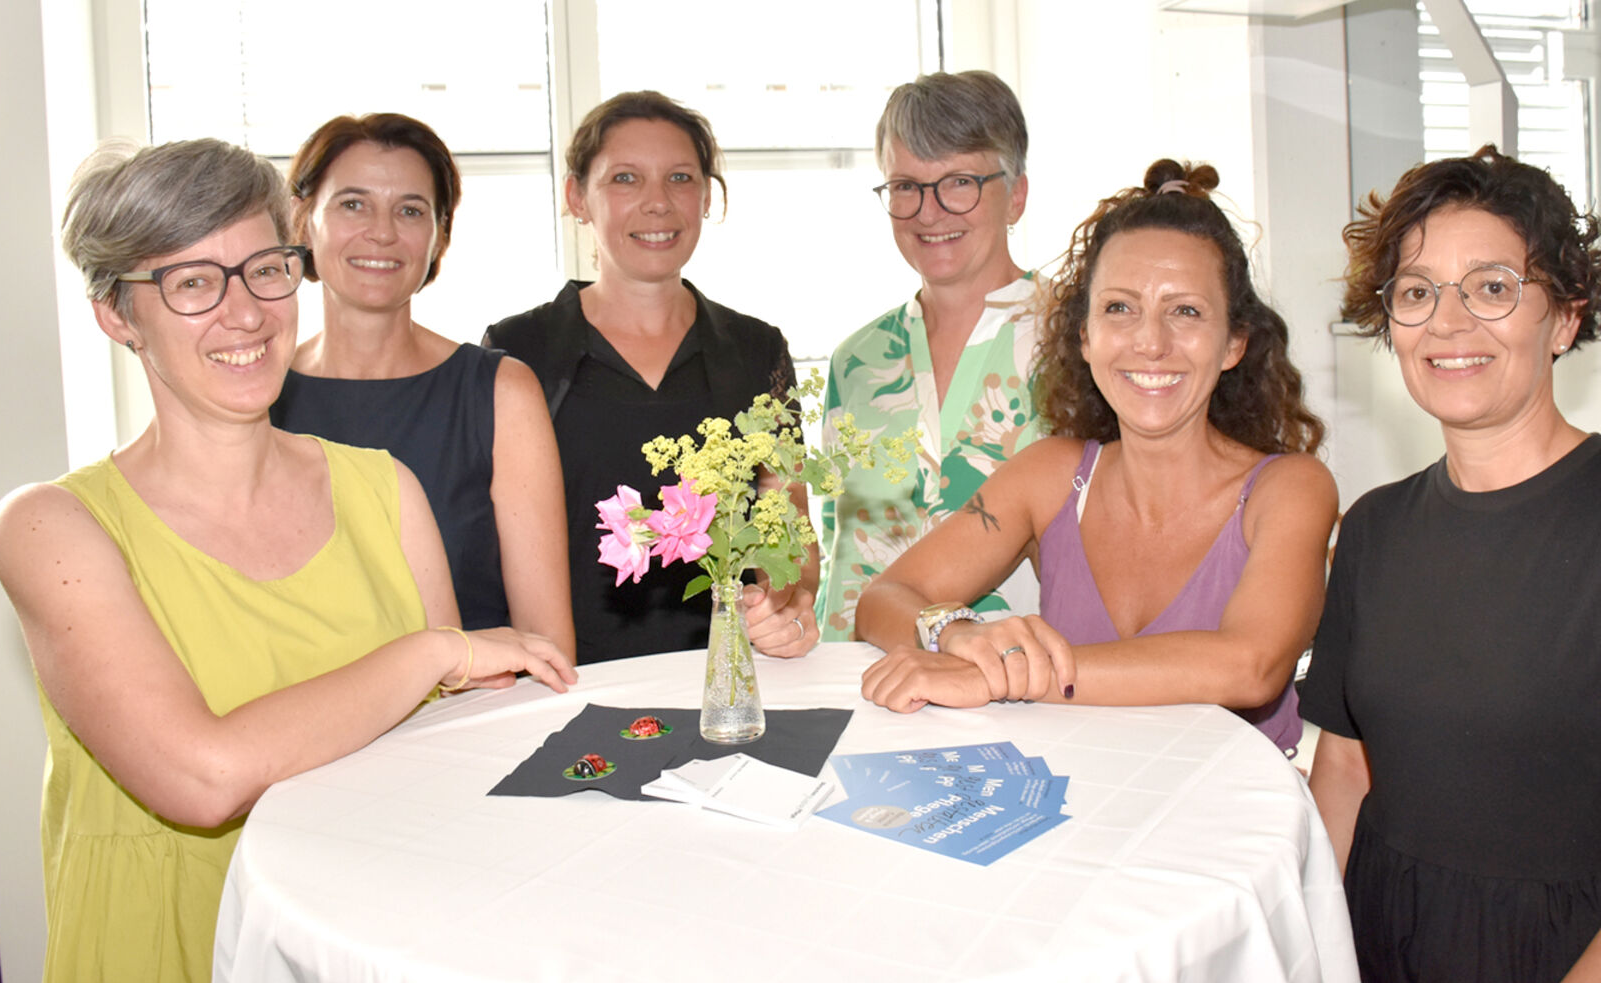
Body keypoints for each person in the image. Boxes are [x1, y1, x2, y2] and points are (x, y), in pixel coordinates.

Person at [0, 138, 576, 983]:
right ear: (116, 315)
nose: (246, 312)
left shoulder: (385, 489)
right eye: (192, 282)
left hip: (365, 935)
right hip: (177, 945)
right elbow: (201, 777)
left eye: (265, 268)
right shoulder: (53, 528)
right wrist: (433, 653)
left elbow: (446, 743)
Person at [1302, 146, 1601, 983]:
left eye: (1492, 287)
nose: (1448, 323)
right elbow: (1346, 769)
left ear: (1564, 318)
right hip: (1390, 959)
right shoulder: (1372, 530)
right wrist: (1329, 969)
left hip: (1591, 972)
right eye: (1416, 293)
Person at [854, 159, 1336, 756]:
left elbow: (1250, 666)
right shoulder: (1049, 475)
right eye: (1119, 308)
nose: (1150, 342)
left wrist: (1004, 674)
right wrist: (954, 634)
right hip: (1081, 806)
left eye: (1185, 311)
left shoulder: (1289, 488)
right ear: (1084, 337)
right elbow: (884, 598)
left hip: (1237, 827)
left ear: (1234, 342)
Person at [483, 91, 814, 665]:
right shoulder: (518, 351)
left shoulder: (759, 350)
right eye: (625, 179)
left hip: (730, 680)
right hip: (565, 682)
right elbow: (490, 547)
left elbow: (790, 529)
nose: (657, 203)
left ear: (706, 196)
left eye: (680, 178)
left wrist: (782, 606)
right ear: (576, 197)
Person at [270, 113, 572, 652]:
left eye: (410, 210)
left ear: (440, 236)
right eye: (353, 204)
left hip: (476, 720)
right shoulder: (253, 399)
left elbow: (545, 644)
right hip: (300, 727)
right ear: (302, 220)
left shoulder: (500, 392)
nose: (382, 232)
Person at [818, 70, 1045, 641]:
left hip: (1019, 679)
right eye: (905, 186)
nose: (929, 211)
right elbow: (840, 551)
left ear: (1015, 195)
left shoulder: (1079, 345)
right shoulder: (857, 362)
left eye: (960, 182)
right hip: (863, 680)